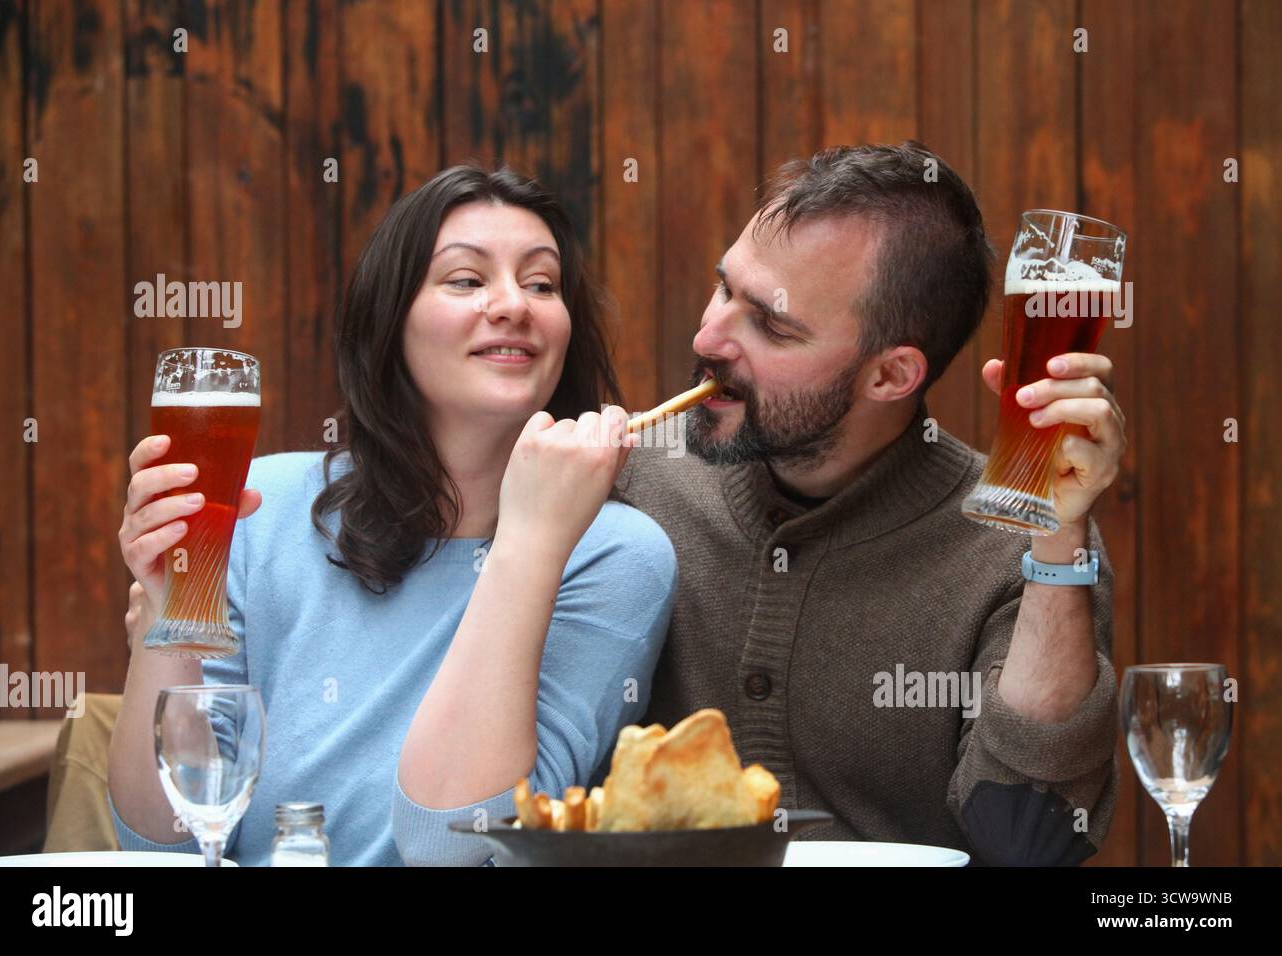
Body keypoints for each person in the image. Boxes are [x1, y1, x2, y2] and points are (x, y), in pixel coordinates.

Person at [108, 165, 677, 866]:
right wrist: (169, 615)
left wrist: (531, 540)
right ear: (390, 320)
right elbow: (158, 839)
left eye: (542, 283)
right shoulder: (259, 507)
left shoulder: (615, 554)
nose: (514, 305)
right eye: (466, 280)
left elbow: (459, 848)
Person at [616, 142, 1126, 865]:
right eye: (723, 288)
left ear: (890, 375)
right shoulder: (633, 478)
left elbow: (1027, 846)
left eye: (770, 325)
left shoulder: (1017, 549)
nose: (708, 336)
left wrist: (1057, 539)